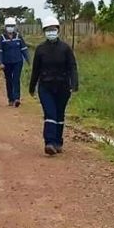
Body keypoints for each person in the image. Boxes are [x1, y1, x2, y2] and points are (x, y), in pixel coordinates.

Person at [29, 16, 78, 156]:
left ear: (58, 30)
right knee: (50, 113)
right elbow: (36, 70)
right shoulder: (40, 50)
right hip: (45, 87)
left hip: (63, 87)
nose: (51, 32)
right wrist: (32, 87)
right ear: (44, 31)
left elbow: (72, 67)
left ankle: (58, 142)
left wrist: (74, 84)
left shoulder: (65, 49)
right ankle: (49, 142)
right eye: (48, 30)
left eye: (53, 29)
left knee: (59, 115)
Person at [0, 17, 30, 107]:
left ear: (14, 27)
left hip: (18, 62)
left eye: (12, 26)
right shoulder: (2, 38)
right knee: (9, 80)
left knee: (16, 79)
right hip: (6, 63)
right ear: (5, 27)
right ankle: (10, 99)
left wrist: (28, 61)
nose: (10, 28)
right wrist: (0, 63)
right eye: (8, 26)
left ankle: (17, 98)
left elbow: (24, 49)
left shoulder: (18, 37)